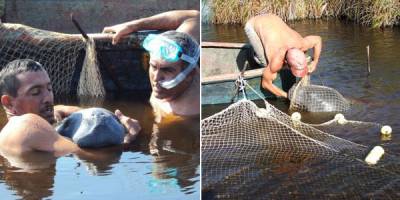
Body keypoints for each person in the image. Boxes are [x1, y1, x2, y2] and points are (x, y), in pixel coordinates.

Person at [0, 59, 141, 156]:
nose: (48, 98)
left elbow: (63, 109)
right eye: (36, 92)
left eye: (49, 89)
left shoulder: (13, 129)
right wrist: (130, 137)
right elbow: (97, 157)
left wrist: (62, 112)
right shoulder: (27, 124)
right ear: (8, 103)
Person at [103, 10, 200, 118]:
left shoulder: (187, 112)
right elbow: (195, 17)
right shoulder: (179, 47)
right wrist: (132, 26)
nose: (156, 78)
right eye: (153, 67)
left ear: (189, 75)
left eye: (167, 70)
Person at [244, 14, 322, 98]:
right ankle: (253, 55)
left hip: (273, 19)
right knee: (264, 63)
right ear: (286, 62)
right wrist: (287, 96)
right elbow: (265, 84)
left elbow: (318, 40)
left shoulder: (301, 43)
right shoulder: (276, 60)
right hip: (254, 24)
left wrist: (315, 62)